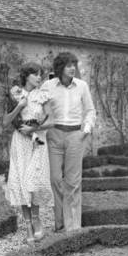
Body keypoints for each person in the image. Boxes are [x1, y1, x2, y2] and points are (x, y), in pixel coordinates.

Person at [41, 52, 96, 232]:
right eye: (68, 65)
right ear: (60, 68)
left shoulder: (82, 86)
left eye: (74, 64)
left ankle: (72, 227)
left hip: (75, 135)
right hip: (54, 135)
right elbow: (39, 109)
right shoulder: (48, 86)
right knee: (55, 179)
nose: (72, 68)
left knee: (73, 182)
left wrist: (85, 131)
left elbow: (90, 111)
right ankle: (60, 223)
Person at [4, 62, 53, 244]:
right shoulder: (16, 93)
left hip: (37, 141)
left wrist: (34, 128)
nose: (39, 77)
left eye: (40, 74)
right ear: (26, 76)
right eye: (35, 74)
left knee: (35, 180)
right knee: (22, 182)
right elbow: (5, 121)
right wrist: (19, 107)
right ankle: (28, 225)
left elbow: (52, 121)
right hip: (20, 143)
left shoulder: (43, 95)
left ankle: (37, 218)